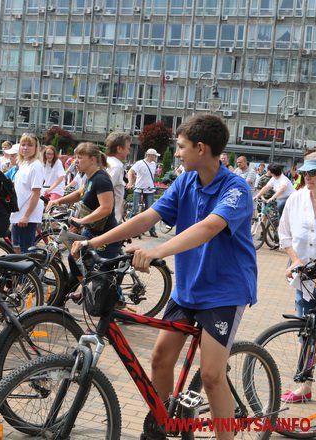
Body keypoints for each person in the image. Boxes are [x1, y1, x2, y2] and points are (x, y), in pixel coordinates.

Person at [72, 113, 256, 440]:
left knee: (212, 376)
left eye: (181, 147)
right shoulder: (185, 181)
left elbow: (209, 227)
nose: (178, 153)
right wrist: (93, 240)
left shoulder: (236, 188)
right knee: (159, 359)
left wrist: (159, 250)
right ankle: (161, 427)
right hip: (188, 288)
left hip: (225, 292)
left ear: (201, 148)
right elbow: (147, 217)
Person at [47, 142, 119, 293]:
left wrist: (81, 221)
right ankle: (86, 291)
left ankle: (115, 300)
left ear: (92, 159)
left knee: (101, 275)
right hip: (92, 230)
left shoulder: (101, 179)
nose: (75, 162)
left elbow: (106, 208)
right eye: (75, 158)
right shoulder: (89, 178)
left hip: (105, 235)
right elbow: (80, 193)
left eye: (80, 158)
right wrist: (58, 200)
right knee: (74, 260)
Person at [278, 151, 316, 403]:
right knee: (307, 331)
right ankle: (305, 385)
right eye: (305, 172)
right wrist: (295, 260)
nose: (307, 177)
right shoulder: (296, 199)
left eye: (314, 172)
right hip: (306, 280)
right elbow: (284, 235)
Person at [10, 133, 44, 253]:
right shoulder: (24, 163)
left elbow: (36, 193)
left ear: (36, 148)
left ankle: (31, 272)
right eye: (23, 144)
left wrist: (26, 215)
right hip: (19, 211)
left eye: (30, 145)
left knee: (27, 250)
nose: (25, 147)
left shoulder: (36, 166)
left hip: (27, 215)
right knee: (17, 248)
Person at [127, 148, 160, 237]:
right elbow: (130, 172)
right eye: (155, 156)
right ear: (149, 155)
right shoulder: (139, 163)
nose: (156, 157)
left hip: (149, 190)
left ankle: (152, 230)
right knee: (134, 210)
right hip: (139, 189)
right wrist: (130, 182)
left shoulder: (154, 164)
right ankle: (128, 229)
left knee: (151, 211)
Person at [105, 132, 132, 223]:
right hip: (110, 218)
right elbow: (105, 190)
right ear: (119, 149)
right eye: (128, 148)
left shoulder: (108, 161)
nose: (129, 152)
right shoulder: (116, 166)